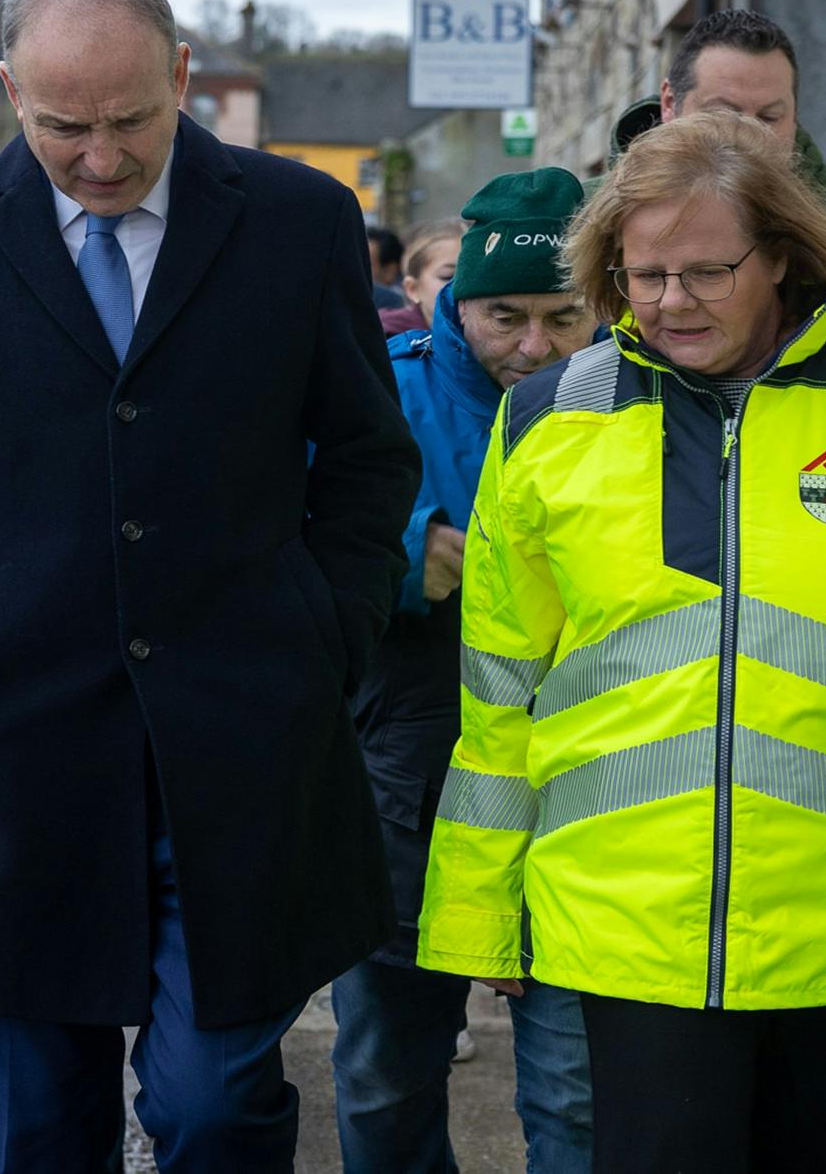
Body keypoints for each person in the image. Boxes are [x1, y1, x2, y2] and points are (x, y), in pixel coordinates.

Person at [0, 0, 422, 1174]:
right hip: (21, 755)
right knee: (36, 1131)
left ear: (183, 75)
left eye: (132, 120)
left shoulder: (299, 220)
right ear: (8, 92)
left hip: (244, 744)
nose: (102, 157)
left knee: (214, 1108)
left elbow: (369, 460)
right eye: (63, 126)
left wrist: (325, 634)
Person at [417, 112, 826, 1173]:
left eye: (707, 272)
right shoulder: (548, 419)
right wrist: (482, 912)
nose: (671, 302)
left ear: (782, 254)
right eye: (644, 274)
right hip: (623, 928)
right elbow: (498, 686)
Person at [333, 168, 597, 1174]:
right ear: (454, 302)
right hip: (409, 763)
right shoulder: (384, 380)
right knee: (388, 1067)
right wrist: (409, 552)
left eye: (561, 317)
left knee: (575, 1091)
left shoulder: (633, 396)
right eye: (505, 318)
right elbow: (292, 517)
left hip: (581, 770)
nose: (533, 346)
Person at [611, 8, 826, 348]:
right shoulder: (586, 212)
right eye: (723, 114)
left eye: (769, 116)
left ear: (794, 114)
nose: (749, 135)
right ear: (670, 103)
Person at [378, 216, 464, 337]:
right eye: (448, 276)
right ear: (412, 289)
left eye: (478, 276)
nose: (465, 286)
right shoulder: (385, 340)